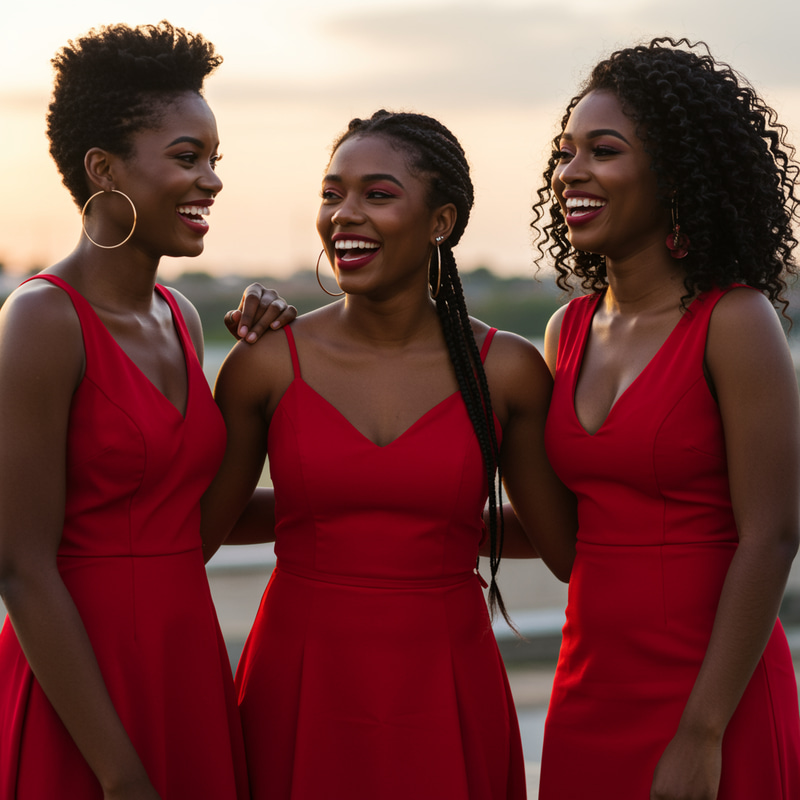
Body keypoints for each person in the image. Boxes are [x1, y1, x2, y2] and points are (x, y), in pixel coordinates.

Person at [201, 109, 577, 799]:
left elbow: (567, 551)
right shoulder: (264, 364)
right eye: (331, 193)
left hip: (446, 676)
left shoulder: (507, 370)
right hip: (299, 675)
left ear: (441, 221)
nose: (344, 214)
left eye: (377, 194)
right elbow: (197, 531)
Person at [0, 22, 294, 799]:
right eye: (187, 158)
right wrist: (119, 772)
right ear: (104, 169)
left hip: (187, 663)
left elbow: (187, 511)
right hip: (86, 692)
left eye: (214, 160)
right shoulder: (41, 321)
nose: (212, 181)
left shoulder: (182, 317)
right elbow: (19, 564)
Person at [531, 37, 800, 799]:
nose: (571, 173)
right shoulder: (567, 331)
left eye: (602, 151)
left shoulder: (735, 321)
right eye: (565, 152)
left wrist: (702, 732)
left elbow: (772, 533)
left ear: (677, 175)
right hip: (589, 690)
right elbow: (569, 537)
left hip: (715, 698)